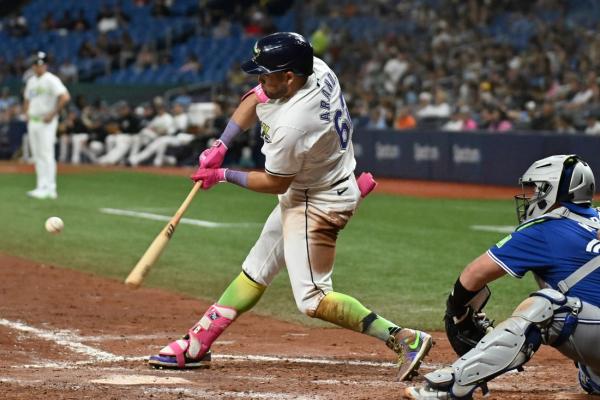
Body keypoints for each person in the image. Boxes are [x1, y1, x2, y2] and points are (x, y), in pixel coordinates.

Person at [148, 32, 432, 380]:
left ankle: (404, 337)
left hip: (319, 203)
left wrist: (222, 174)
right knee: (256, 270)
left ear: (289, 77)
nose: (259, 80)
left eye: (267, 74)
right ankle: (197, 344)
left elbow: (274, 182)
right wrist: (222, 142)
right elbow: (256, 96)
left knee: (312, 299)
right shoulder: (315, 68)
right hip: (316, 184)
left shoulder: (295, 123)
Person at [404, 154, 600, 399]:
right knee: (589, 375)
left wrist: (457, 312)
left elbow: (473, 276)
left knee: (548, 306)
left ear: (555, 191)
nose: (533, 197)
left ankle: (454, 385)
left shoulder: (544, 228)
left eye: (539, 189)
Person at [23, 51, 70, 199]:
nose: (39, 67)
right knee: (37, 155)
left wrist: (53, 113)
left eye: (42, 64)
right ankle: (41, 186)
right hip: (34, 121)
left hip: (46, 121)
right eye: (37, 64)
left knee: (47, 154)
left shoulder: (51, 79)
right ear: (33, 66)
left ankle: (51, 188)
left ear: (46, 66)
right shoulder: (31, 81)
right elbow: (26, 99)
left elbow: (65, 96)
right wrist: (26, 113)